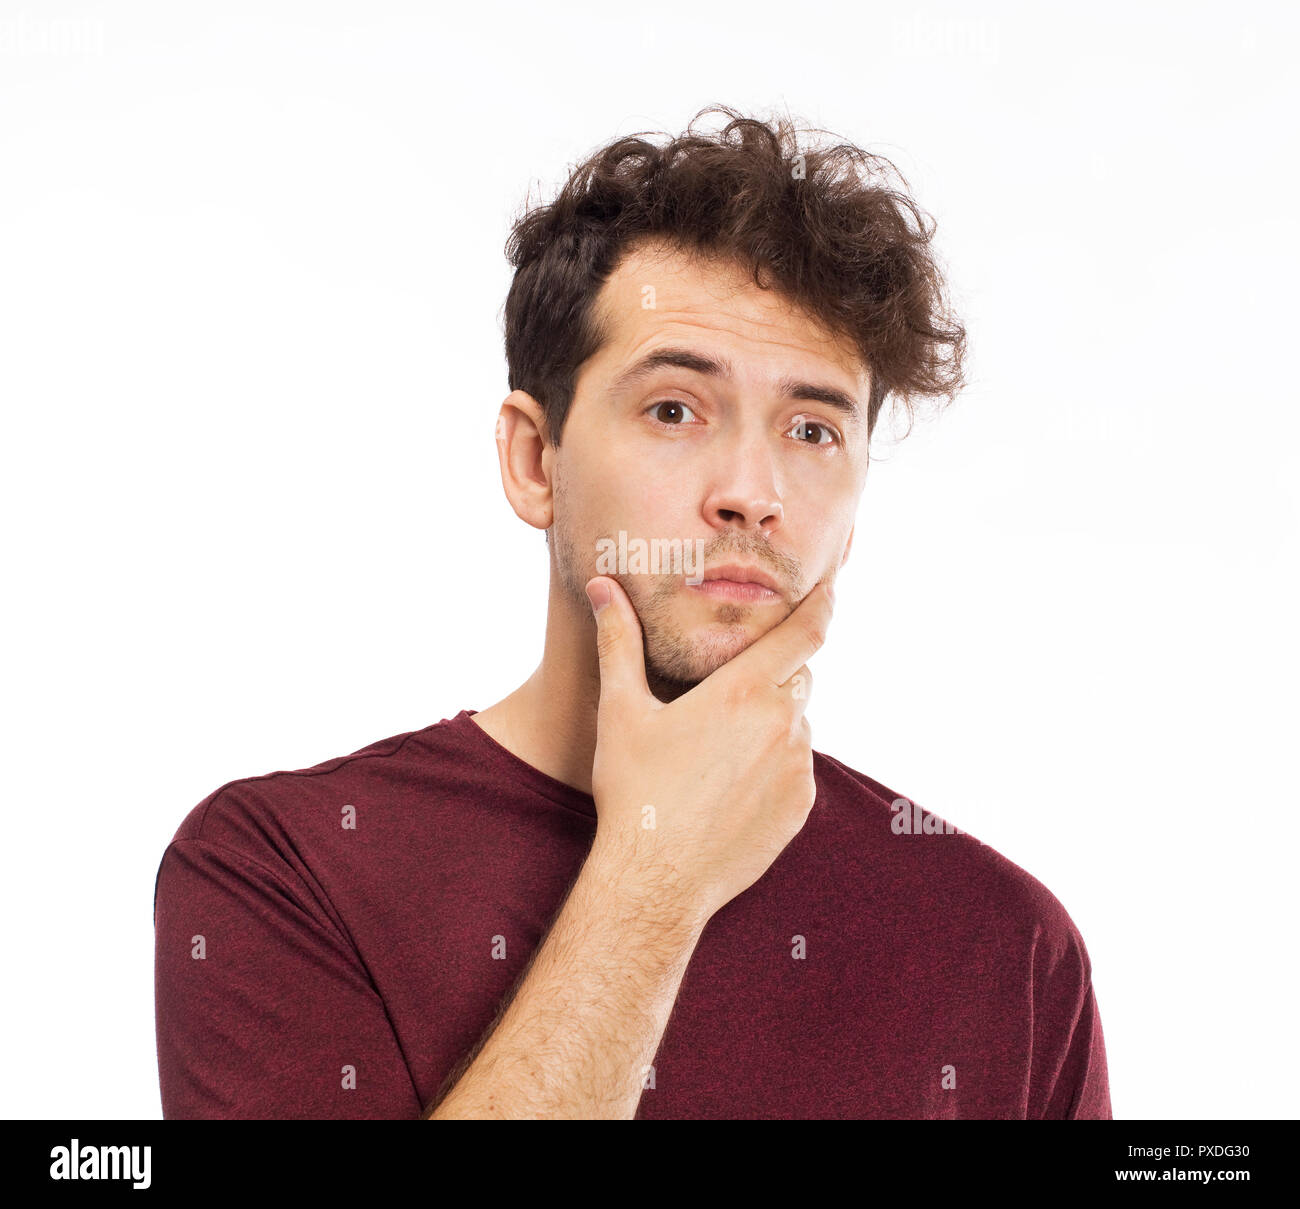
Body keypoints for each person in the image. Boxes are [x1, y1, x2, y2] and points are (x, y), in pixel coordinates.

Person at [153, 104, 1111, 1119]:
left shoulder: (1007, 945)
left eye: (812, 430)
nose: (752, 489)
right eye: (673, 409)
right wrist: (655, 874)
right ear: (535, 462)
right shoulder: (279, 869)